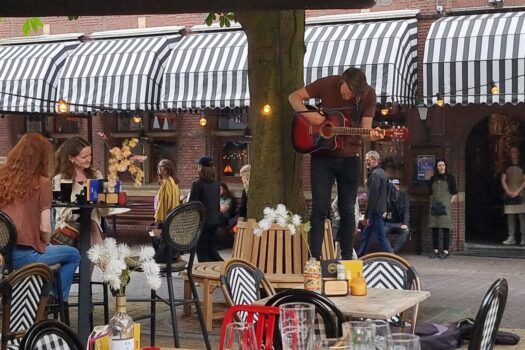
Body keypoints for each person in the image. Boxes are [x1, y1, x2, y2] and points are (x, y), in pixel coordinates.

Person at [289, 67, 383, 260]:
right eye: (348, 91)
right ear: (342, 81)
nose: (349, 97)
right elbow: (294, 97)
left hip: (350, 158)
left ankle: (347, 258)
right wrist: (309, 115)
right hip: (323, 156)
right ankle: (314, 259)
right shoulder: (327, 84)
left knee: (348, 208)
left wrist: (372, 134)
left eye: (354, 95)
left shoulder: (368, 95)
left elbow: (366, 130)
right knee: (319, 208)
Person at [0, 133, 80, 302]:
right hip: (26, 255)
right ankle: (51, 299)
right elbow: (45, 229)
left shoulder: (2, 178)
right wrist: (46, 241)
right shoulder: (42, 183)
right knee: (73, 254)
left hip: (3, 256)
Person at [53, 137, 108, 249]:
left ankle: (100, 257)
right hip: (67, 232)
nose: (88, 159)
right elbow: (65, 215)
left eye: (90, 155)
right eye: (84, 157)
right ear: (71, 158)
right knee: (89, 224)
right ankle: (103, 258)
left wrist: (105, 199)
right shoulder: (59, 180)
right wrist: (86, 206)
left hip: (93, 230)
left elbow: (104, 213)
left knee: (91, 224)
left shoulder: (97, 175)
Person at [357, 151, 393, 256]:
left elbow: (373, 196)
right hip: (379, 209)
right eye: (366, 160)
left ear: (375, 160)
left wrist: (367, 216)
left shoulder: (375, 175)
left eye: (369, 160)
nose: (366, 162)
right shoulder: (382, 173)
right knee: (366, 235)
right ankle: (360, 256)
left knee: (381, 236)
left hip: (375, 211)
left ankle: (391, 256)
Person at [188, 156, 223, 262]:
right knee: (212, 250)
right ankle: (221, 269)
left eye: (199, 166)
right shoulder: (216, 184)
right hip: (215, 220)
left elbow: (192, 205)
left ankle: (206, 274)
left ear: (201, 168)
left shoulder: (197, 184)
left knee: (202, 251)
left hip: (202, 222)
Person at [429, 159, 458, 259]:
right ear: (437, 167)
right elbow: (430, 193)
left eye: (443, 165)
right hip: (434, 206)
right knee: (435, 229)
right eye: (439, 165)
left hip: (445, 207)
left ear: (445, 166)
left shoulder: (450, 178)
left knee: (446, 229)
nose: (441, 167)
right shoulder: (433, 178)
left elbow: (454, 193)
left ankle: (446, 251)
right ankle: (435, 250)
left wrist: (449, 203)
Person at [501, 146, 525, 245]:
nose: (514, 154)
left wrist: (518, 192)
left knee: (521, 216)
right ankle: (511, 237)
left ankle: (523, 237)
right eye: (512, 152)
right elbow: (503, 180)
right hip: (509, 194)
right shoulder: (506, 165)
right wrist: (508, 191)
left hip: (521, 194)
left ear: (518, 153)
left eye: (515, 152)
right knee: (510, 216)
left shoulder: (523, 165)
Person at [384, 179, 410, 253]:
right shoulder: (387, 197)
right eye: (393, 186)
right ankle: (389, 250)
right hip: (389, 223)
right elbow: (386, 212)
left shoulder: (403, 196)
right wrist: (386, 215)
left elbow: (406, 211)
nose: (395, 187)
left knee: (405, 231)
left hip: (400, 223)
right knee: (382, 231)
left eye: (397, 185)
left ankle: (393, 251)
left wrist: (405, 224)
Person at [154, 159, 180, 226]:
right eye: (158, 166)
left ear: (167, 169)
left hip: (165, 220)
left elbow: (163, 203)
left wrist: (158, 220)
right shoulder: (172, 180)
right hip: (172, 218)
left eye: (161, 166)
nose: (159, 168)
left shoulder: (167, 182)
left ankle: (156, 235)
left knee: (153, 234)